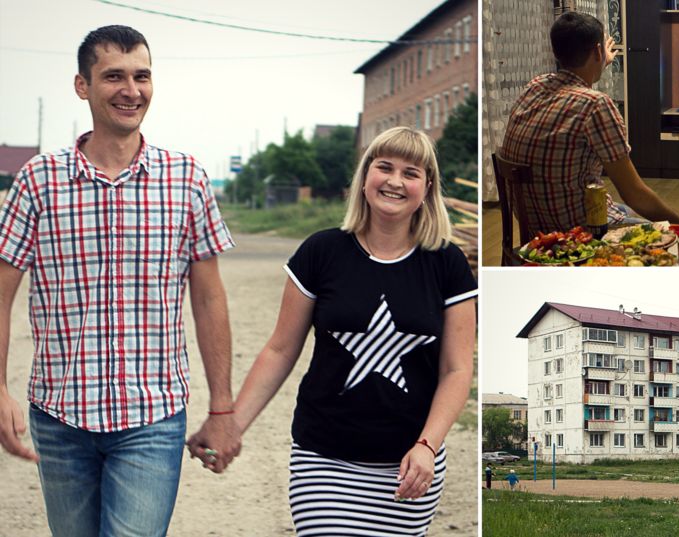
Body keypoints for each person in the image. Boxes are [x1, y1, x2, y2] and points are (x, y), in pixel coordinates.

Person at [0, 25, 238, 537]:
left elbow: (209, 301)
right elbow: (0, 295)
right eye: (114, 76)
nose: (132, 90)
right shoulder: (38, 181)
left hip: (151, 418)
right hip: (59, 415)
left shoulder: (186, 179)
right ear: (82, 85)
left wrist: (222, 407)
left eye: (142, 76)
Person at [194, 126, 477, 536]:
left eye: (411, 172)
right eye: (385, 167)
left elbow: (456, 370)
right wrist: (231, 425)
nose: (396, 181)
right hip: (324, 456)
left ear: (427, 186)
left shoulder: (446, 262)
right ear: (365, 178)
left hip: (408, 463)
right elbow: (280, 350)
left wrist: (427, 446)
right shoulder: (321, 252)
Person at [499, 11, 679, 235]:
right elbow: (636, 195)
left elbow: (573, 91)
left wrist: (598, 63)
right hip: (577, 236)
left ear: (556, 51)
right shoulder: (596, 105)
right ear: (598, 51)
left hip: (536, 233)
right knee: (657, 227)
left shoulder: (535, 86)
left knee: (621, 208)